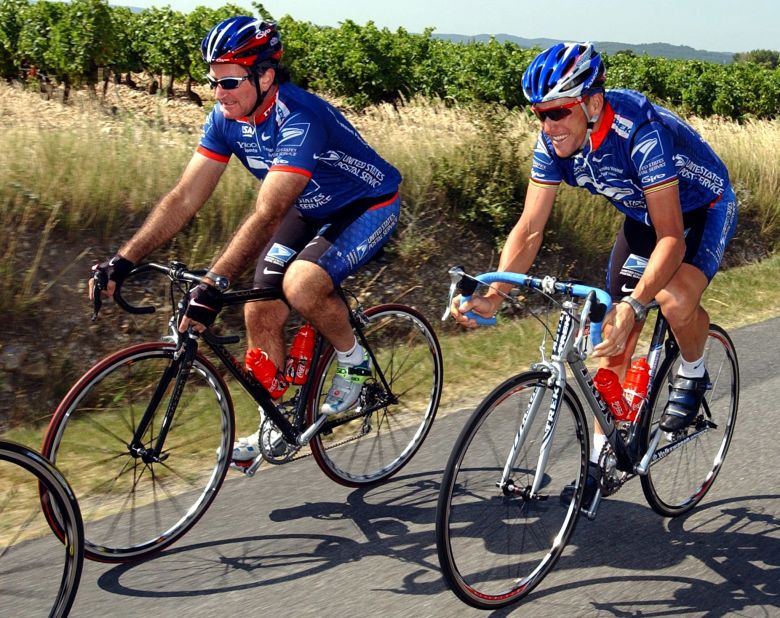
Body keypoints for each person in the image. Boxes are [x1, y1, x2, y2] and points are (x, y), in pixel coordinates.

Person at [90, 16, 402, 463]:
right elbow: (183, 198)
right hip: (310, 206)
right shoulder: (226, 118)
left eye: (231, 80)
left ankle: (354, 361)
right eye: (214, 81)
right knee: (259, 308)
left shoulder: (300, 117)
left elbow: (267, 212)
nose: (220, 93)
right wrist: (124, 260)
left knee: (301, 284)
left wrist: (213, 284)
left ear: (266, 75)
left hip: (367, 203)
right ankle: (273, 424)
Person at [450, 42, 737, 504]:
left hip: (701, 210)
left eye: (558, 112)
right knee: (611, 337)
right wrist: (495, 292)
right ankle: (603, 459)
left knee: (673, 299)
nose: (548, 126)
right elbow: (528, 231)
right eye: (539, 114)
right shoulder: (554, 142)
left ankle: (694, 368)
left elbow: (673, 239)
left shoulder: (641, 134)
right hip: (646, 219)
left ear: (592, 103)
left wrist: (636, 303)